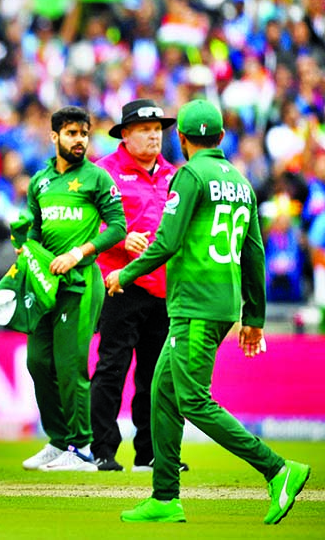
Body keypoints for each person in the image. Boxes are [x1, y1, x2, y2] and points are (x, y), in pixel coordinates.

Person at [106, 100, 310, 524]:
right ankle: (165, 497)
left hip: (194, 306)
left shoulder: (190, 176)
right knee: (163, 392)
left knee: (194, 401)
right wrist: (253, 318)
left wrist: (123, 275)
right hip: (220, 304)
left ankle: (277, 469)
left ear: (181, 139)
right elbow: (254, 255)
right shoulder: (240, 181)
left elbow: (165, 242)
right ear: (221, 138)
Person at [18, 105, 126, 472]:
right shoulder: (40, 182)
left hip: (81, 284)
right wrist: (26, 252)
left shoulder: (97, 178)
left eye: (84, 133)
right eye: (72, 133)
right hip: (45, 285)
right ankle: (59, 439)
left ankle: (80, 446)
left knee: (70, 365)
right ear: (54, 137)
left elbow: (118, 228)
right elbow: (34, 231)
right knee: (37, 362)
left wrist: (79, 252)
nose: (80, 140)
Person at [90, 99, 182, 472]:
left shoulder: (175, 175)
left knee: (156, 374)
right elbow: (84, 227)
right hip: (120, 285)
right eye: (145, 129)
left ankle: (150, 453)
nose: (153, 136)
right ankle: (103, 450)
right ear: (125, 135)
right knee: (112, 366)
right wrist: (120, 238)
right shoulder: (102, 173)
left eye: (158, 130)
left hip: (163, 287)